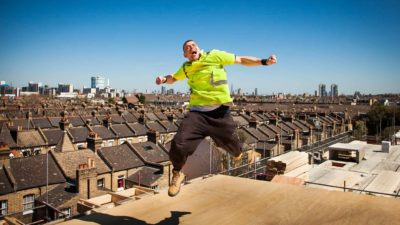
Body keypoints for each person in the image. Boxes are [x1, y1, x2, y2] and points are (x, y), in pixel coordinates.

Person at [155, 40, 277, 197]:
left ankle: (237, 151)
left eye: (193, 45)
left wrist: (264, 61)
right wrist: (164, 79)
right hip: (197, 114)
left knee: (235, 149)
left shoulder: (214, 56)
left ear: (199, 48)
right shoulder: (186, 67)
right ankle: (178, 173)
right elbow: (174, 78)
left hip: (220, 113)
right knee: (178, 143)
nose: (191, 47)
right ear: (185, 55)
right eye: (187, 48)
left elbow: (240, 60)